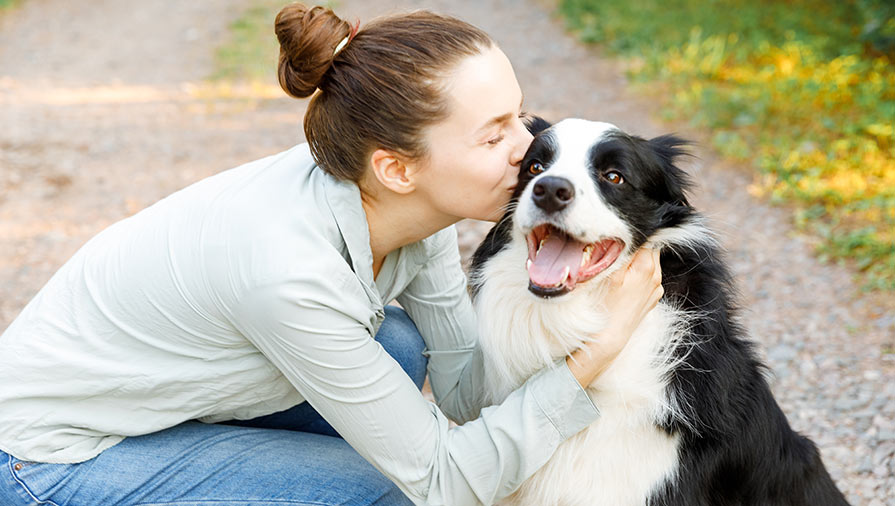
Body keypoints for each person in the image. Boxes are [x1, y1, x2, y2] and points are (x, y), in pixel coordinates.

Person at [0, 4, 664, 505]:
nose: (527, 148)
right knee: (395, 493)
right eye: (493, 137)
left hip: (152, 393)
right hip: (46, 457)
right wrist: (596, 353)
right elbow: (442, 480)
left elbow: (464, 393)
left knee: (399, 349)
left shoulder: (409, 203)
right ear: (397, 168)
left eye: (519, 117)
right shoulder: (287, 273)